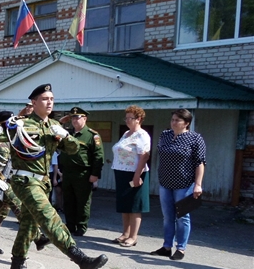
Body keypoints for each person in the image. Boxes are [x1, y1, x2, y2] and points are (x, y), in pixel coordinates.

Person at [0, 84, 108, 269]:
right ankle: (81, 260)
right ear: (33, 102)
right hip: (25, 181)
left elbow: (74, 150)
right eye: (44, 98)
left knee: (28, 225)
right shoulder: (19, 125)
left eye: (51, 98)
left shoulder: (52, 126)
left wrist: (66, 136)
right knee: (49, 218)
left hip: (43, 182)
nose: (49, 102)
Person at [0, 110, 50, 255]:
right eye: (9, 122)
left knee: (0, 213)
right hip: (2, 181)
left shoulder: (16, 137)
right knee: (19, 208)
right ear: (2, 124)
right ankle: (38, 238)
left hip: (16, 181)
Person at [151, 109, 206, 260]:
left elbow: (200, 163)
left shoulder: (195, 138)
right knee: (167, 216)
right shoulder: (165, 135)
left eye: (177, 120)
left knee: (182, 216)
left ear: (186, 123)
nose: (173, 122)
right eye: (173, 119)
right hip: (165, 182)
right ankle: (167, 246)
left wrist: (198, 184)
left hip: (184, 183)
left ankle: (180, 249)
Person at [58, 107, 104, 236]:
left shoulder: (92, 135)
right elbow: (53, 132)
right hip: (67, 173)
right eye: (72, 117)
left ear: (85, 118)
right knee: (68, 200)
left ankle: (81, 226)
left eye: (77, 117)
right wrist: (61, 122)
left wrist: (95, 175)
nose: (74, 120)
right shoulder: (68, 134)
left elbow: (98, 156)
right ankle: (70, 225)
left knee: (82, 202)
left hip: (83, 173)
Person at [111, 105, 151, 247]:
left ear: (139, 119)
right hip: (122, 172)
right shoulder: (126, 134)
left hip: (135, 173)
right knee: (125, 205)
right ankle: (125, 233)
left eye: (131, 118)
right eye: (126, 117)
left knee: (134, 205)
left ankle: (133, 237)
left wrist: (136, 175)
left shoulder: (142, 135)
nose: (127, 120)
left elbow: (144, 157)